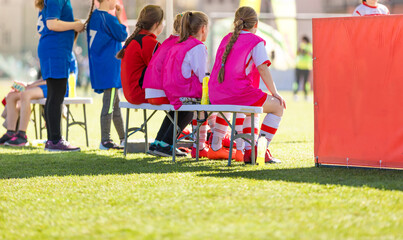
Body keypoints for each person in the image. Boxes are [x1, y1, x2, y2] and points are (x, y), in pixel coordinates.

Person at [209, 6, 286, 164]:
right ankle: (259, 150)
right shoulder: (255, 41)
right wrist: (275, 93)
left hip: (217, 94)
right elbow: (263, 68)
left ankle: (247, 151)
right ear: (256, 24)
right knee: (278, 106)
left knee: (252, 110)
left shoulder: (227, 38)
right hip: (238, 94)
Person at [35, 0, 84, 151]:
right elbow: (52, 24)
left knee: (53, 95)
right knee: (57, 95)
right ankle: (55, 140)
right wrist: (75, 25)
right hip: (55, 51)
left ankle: (52, 140)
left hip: (54, 50)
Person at [161, 11, 210, 157]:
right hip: (186, 94)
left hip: (173, 93)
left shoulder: (178, 45)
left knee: (196, 108)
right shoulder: (198, 47)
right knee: (217, 103)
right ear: (202, 29)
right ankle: (206, 145)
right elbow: (203, 77)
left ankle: (161, 143)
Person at [142, 13, 192, 157]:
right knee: (188, 109)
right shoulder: (181, 44)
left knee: (175, 110)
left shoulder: (168, 41)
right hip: (159, 91)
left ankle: (158, 143)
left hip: (151, 90)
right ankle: (166, 144)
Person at [86, 0, 127, 150]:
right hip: (110, 68)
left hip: (102, 67)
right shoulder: (107, 18)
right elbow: (122, 34)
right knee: (109, 106)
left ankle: (123, 139)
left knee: (115, 105)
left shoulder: (94, 16)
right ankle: (105, 140)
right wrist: (119, 16)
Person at [117, 5, 164, 105]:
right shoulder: (149, 42)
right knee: (184, 101)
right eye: (162, 21)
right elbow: (162, 70)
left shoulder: (135, 40)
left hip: (131, 94)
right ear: (156, 24)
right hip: (141, 94)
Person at [294, 35, 312, 101]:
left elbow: (309, 53)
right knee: (297, 82)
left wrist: (303, 50)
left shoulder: (309, 46)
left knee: (306, 82)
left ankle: (306, 95)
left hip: (306, 67)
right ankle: (295, 94)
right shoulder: (301, 46)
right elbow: (297, 53)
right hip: (299, 66)